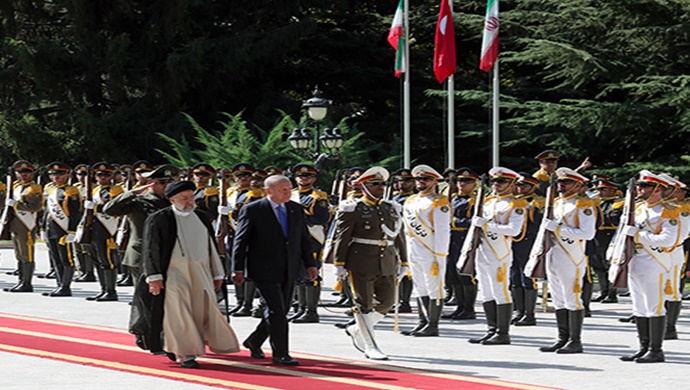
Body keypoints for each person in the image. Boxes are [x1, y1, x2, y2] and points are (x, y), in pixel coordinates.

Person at [143, 180, 239, 368]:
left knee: (200, 311)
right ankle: (185, 354)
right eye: (184, 198)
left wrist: (218, 273)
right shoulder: (159, 218)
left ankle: (186, 345)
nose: (189, 202)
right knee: (179, 312)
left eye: (191, 197)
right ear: (172, 199)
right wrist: (154, 277)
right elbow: (150, 249)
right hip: (173, 274)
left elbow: (212, 246)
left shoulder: (201, 217)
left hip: (201, 273)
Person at [232, 174, 318, 366]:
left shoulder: (295, 209)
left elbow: (303, 240)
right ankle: (281, 353)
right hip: (263, 268)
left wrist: (311, 264)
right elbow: (241, 240)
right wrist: (237, 268)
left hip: (290, 267)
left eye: (289, 189)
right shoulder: (253, 209)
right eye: (283, 190)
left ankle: (254, 341)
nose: (288, 193)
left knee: (280, 310)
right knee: (277, 310)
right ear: (269, 191)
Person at [331, 166, 407, 360]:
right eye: (375, 184)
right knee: (363, 304)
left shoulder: (391, 208)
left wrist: (404, 261)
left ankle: (358, 328)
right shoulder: (353, 208)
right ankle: (370, 345)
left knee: (387, 301)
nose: (380, 187)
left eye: (382, 184)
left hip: (387, 260)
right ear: (364, 186)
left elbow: (399, 236)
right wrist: (339, 263)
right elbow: (342, 236)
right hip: (360, 261)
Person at [619, 171, 678, 363]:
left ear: (658, 190)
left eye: (645, 186)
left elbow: (668, 240)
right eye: (639, 186)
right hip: (635, 261)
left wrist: (638, 235)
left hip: (655, 263)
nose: (640, 189)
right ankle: (643, 347)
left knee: (654, 307)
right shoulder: (636, 209)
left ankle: (656, 350)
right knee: (639, 308)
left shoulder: (667, 211)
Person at [538, 167, 596, 354]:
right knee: (558, 299)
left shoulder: (583, 206)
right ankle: (562, 338)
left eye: (567, 182)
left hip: (571, 256)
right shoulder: (554, 203)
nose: (562, 185)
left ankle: (575, 340)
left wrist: (558, 229)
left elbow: (587, 233)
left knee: (572, 299)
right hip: (553, 254)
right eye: (560, 182)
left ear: (578, 185)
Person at [466, 167, 526, 345]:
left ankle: (503, 333)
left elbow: (514, 230)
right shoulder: (487, 202)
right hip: (482, 251)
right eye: (494, 182)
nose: (496, 184)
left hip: (500, 252)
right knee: (486, 292)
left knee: (500, 291)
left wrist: (486, 225)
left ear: (511, 184)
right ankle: (491, 329)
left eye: (501, 182)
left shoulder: (516, 205)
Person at [104, 164, 176, 287]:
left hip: (167, 253)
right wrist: (131, 193)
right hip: (141, 252)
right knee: (143, 296)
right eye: (162, 182)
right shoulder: (140, 200)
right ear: (151, 183)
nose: (167, 185)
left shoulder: (173, 201)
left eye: (170, 181)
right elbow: (109, 210)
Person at [401, 164, 451, 337]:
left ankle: (433, 324)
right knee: (419, 287)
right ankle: (422, 322)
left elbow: (443, 230)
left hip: (431, 251)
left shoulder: (439, 201)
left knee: (434, 287)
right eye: (418, 179)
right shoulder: (410, 200)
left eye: (426, 179)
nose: (421, 182)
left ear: (434, 181)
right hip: (413, 249)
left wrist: (440, 254)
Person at [289, 163, 330, 324]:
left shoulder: (318, 197)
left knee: (310, 273)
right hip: (294, 238)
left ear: (314, 178)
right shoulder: (290, 194)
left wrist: (299, 216)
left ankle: (311, 311)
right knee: (298, 274)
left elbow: (321, 219)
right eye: (300, 176)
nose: (303, 178)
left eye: (308, 176)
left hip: (311, 238)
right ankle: (301, 308)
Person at [81, 162, 124, 301]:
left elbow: (115, 208)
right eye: (99, 174)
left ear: (112, 176)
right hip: (94, 229)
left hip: (107, 229)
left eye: (106, 174)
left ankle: (111, 291)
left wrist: (96, 207)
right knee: (97, 260)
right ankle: (103, 289)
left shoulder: (116, 190)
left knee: (107, 260)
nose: (102, 177)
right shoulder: (94, 190)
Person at [443, 168, 480, 320]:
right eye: (460, 181)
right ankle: (459, 306)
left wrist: (454, 222)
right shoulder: (453, 198)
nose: (462, 184)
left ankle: (469, 308)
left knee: (466, 274)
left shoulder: (476, 200)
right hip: (452, 239)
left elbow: (476, 221)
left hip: (466, 238)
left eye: (467, 181)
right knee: (453, 273)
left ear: (474, 184)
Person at [42, 162, 82, 297]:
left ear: (67, 175)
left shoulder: (71, 191)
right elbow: (47, 211)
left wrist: (72, 231)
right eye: (53, 174)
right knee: (56, 258)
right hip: (51, 229)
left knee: (66, 258)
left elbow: (75, 213)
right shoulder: (51, 190)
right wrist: (42, 227)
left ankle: (65, 286)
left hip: (63, 230)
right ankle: (59, 284)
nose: (56, 177)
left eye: (59, 174)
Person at [509, 172, 544, 326]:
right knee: (514, 277)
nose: (520, 188)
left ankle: (529, 314)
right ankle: (519, 311)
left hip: (529, 242)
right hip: (513, 242)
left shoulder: (539, 203)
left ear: (533, 187)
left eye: (524, 185)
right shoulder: (513, 201)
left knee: (527, 278)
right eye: (519, 185)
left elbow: (539, 224)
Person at [3, 160, 43, 293]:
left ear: (32, 173)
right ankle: (21, 281)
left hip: (26, 225)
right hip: (15, 224)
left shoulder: (34, 188)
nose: (23, 175)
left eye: (27, 172)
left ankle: (27, 283)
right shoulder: (15, 186)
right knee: (19, 255)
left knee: (27, 254)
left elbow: (36, 207)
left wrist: (15, 205)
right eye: (20, 172)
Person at [590, 179, 623, 303]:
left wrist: (599, 218)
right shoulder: (597, 203)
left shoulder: (619, 203)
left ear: (612, 190)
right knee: (597, 265)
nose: (599, 192)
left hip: (610, 236)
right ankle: (603, 292)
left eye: (603, 189)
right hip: (597, 235)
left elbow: (614, 219)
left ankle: (612, 293)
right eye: (599, 189)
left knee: (609, 265)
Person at [391, 168, 415, 313]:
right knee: (393, 268)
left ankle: (404, 301)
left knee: (405, 269)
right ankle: (395, 299)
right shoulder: (393, 197)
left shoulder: (413, 199)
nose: (402, 184)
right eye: (400, 181)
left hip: (406, 235)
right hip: (392, 235)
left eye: (407, 181)